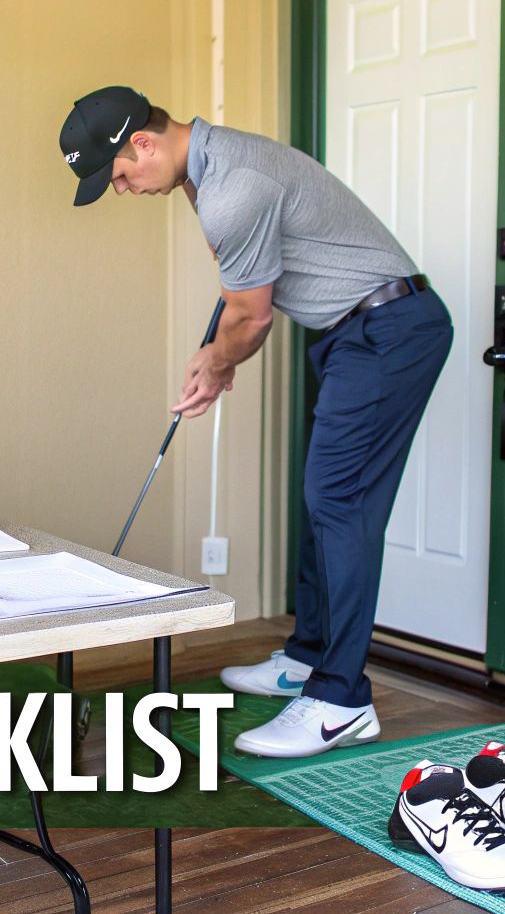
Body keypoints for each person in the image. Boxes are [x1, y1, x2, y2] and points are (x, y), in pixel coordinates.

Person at [59, 86, 453, 758]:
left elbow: (253, 315)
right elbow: (240, 294)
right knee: (322, 497)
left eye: (119, 175)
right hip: (352, 334)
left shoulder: (230, 188)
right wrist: (221, 351)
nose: (123, 189)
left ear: (144, 144)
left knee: (340, 502)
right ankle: (307, 656)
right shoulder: (209, 167)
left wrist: (218, 362)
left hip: (388, 331)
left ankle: (339, 701)